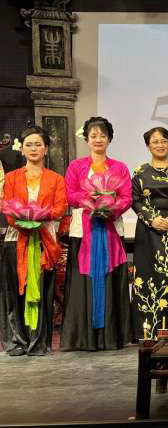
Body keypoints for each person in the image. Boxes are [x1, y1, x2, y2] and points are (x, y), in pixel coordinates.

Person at [61, 117, 132, 351]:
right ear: (86, 139)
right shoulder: (76, 166)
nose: (98, 139)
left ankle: (111, 337)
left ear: (109, 139)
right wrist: (88, 199)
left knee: (111, 279)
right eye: (93, 136)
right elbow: (69, 195)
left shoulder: (120, 167)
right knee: (84, 282)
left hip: (110, 229)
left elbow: (127, 197)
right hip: (84, 231)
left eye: (102, 135)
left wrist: (109, 207)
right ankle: (84, 338)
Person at [0, 126, 67, 355]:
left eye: (38, 144)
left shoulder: (56, 179)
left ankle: (39, 342)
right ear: (21, 149)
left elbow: (59, 208)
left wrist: (38, 217)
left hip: (43, 241)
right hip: (16, 239)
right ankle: (17, 340)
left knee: (43, 291)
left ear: (46, 149)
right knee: (14, 291)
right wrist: (24, 222)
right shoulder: (11, 178)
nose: (33, 148)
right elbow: (7, 209)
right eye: (29, 144)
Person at [131, 127, 168, 340]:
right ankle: (146, 329)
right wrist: (152, 220)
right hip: (147, 231)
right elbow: (135, 201)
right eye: (155, 141)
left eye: (163, 141)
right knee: (147, 277)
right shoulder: (140, 172)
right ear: (148, 145)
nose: (160, 145)